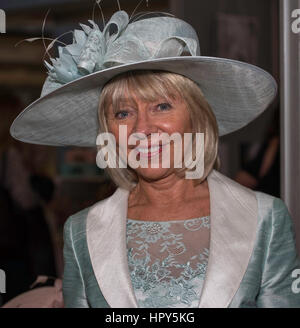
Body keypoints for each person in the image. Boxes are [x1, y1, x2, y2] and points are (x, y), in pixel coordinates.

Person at [10, 9, 300, 308]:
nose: (142, 129)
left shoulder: (265, 218)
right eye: (123, 113)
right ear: (108, 131)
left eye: (161, 106)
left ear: (196, 118)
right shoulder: (81, 231)